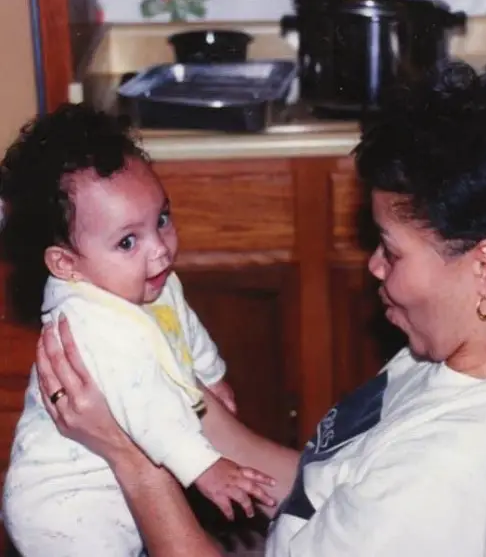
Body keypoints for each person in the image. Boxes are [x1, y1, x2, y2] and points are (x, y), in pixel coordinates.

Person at [18, 59, 486, 556]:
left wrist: (131, 459)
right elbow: (329, 488)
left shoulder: (443, 487)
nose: (374, 266)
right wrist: (187, 395)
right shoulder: (466, 352)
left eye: (390, 250)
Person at [0, 104, 278, 557]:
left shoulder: (147, 282)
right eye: (128, 241)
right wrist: (203, 467)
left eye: (162, 220)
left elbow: (183, 328)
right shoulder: (92, 324)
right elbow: (145, 405)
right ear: (65, 264)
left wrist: (210, 375)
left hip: (116, 483)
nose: (159, 250)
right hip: (64, 507)